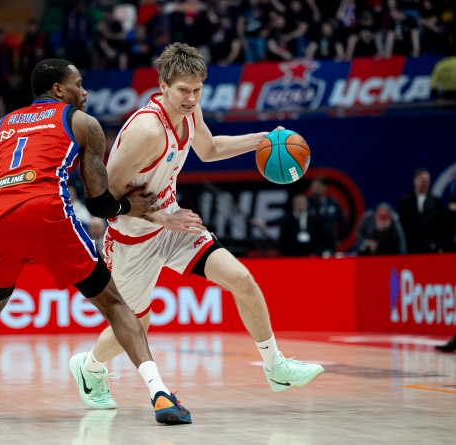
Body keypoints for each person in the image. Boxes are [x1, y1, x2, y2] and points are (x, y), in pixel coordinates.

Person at [0, 58, 188, 426]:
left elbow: (5, 177)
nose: (84, 91)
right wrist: (129, 207)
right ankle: (160, 394)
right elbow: (99, 203)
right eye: (78, 84)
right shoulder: (82, 122)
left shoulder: (0, 125)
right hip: (44, 209)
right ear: (58, 89)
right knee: (115, 305)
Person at [72, 43, 324, 414]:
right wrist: (161, 217)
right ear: (163, 86)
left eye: (197, 90)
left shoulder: (191, 113)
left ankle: (277, 367)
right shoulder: (147, 130)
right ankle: (90, 367)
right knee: (136, 322)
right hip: (132, 236)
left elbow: (210, 149)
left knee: (242, 280)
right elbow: (104, 194)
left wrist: (265, 139)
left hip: (174, 223)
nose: (191, 98)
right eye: (183, 90)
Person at [397, 168, 444, 253]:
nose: (425, 184)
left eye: (427, 181)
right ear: (415, 180)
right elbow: (401, 225)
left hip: (431, 248)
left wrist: (440, 245)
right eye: (423, 180)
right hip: (410, 249)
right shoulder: (405, 202)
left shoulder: (436, 202)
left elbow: (440, 225)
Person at [308, 178, 345, 255]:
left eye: (317, 187)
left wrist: (340, 238)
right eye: (313, 188)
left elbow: (342, 221)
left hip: (328, 243)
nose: (315, 190)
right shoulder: (308, 203)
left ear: (324, 187)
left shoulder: (332, 203)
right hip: (311, 244)